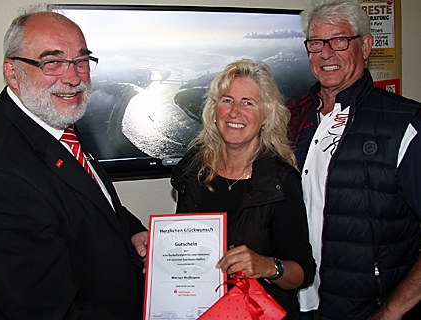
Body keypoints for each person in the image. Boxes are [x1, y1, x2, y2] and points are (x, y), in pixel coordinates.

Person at [0, 7, 148, 319]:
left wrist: (131, 231)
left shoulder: (47, 114)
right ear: (13, 72)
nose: (73, 77)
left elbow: (87, 197)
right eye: (51, 62)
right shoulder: (0, 178)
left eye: (81, 60)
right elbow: (49, 312)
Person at [286, 0, 421, 319]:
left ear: (366, 46)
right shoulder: (291, 117)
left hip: (364, 309)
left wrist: (392, 311)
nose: (326, 53)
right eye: (316, 43)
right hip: (296, 303)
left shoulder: (403, 124)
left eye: (340, 40)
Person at [171, 59, 316, 319]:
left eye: (248, 103)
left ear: (266, 117)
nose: (234, 112)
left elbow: (303, 273)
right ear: (214, 111)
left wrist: (267, 266)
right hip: (200, 311)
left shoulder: (280, 181)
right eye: (227, 100)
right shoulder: (193, 170)